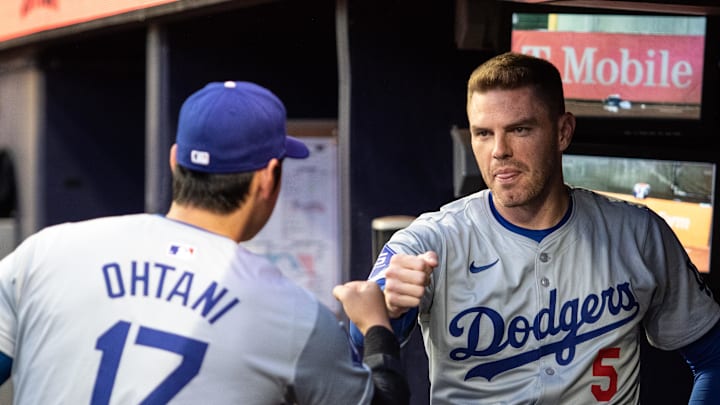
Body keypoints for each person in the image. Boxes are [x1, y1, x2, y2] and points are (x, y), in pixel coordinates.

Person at [0, 81, 409, 404]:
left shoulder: (48, 250)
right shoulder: (295, 315)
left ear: (176, 160)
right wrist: (375, 326)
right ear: (268, 177)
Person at [351, 52, 720, 404]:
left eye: (520, 129)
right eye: (483, 133)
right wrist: (388, 311)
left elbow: (713, 357)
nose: (499, 150)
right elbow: (358, 344)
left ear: (563, 132)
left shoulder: (639, 234)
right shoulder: (432, 239)